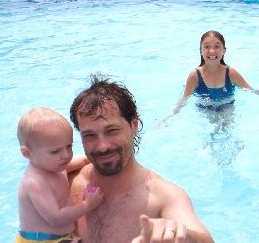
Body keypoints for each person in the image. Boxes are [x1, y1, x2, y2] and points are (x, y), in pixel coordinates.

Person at [68, 74, 214, 243]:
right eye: (90, 135)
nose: (102, 146)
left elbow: (204, 239)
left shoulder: (164, 197)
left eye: (112, 131)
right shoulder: (66, 181)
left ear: (134, 125)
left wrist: (179, 234)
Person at [16, 107, 104, 243]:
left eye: (69, 146)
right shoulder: (35, 182)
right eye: (55, 151)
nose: (65, 155)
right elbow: (55, 218)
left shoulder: (54, 166)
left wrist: (91, 159)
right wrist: (88, 205)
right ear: (28, 153)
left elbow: (78, 162)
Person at [164, 30, 259, 120]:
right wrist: (169, 117)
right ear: (201, 51)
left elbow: (250, 90)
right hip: (204, 110)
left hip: (227, 108)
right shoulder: (195, 75)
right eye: (207, 47)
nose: (212, 51)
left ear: (224, 51)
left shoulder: (230, 73)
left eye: (217, 46)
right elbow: (184, 99)